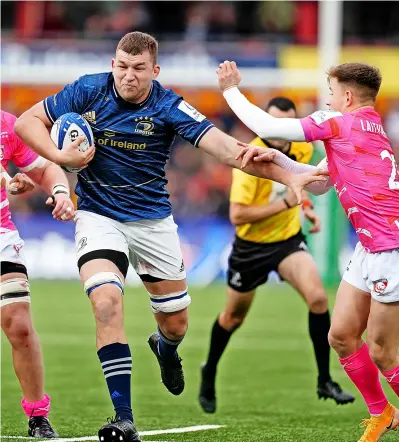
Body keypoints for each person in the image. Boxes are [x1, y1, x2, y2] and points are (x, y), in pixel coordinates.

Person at [14, 32, 327, 442]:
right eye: (122, 66)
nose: (128, 76)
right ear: (113, 64)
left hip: (153, 223)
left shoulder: (168, 105)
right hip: (97, 216)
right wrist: (61, 158)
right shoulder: (87, 89)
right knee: (106, 302)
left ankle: (165, 347)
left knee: (176, 323)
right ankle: (123, 418)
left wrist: (291, 174)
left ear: (154, 70)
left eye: (138, 68)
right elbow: (26, 122)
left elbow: (229, 149)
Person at [216, 61, 399, 442]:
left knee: (382, 350)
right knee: (339, 336)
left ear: (348, 96)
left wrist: (230, 90)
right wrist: (279, 163)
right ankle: (382, 413)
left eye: (332, 91)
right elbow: (319, 185)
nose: (327, 98)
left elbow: (269, 128)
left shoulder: (339, 122)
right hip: (372, 248)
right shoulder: (364, 129)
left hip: (398, 249)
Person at [199, 96, 354, 414]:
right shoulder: (249, 159)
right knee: (233, 318)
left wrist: (306, 208)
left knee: (319, 299)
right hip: (250, 248)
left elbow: (297, 185)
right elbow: (238, 216)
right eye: (273, 125)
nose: (280, 135)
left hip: (286, 241)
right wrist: (287, 205)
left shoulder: (303, 148)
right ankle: (209, 371)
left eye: (286, 126)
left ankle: (324, 379)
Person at [1, 109, 75, 438]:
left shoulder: (7, 125)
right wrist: (9, 181)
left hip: (1, 236)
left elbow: (45, 167)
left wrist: (60, 192)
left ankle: (36, 416)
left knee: (19, 324)